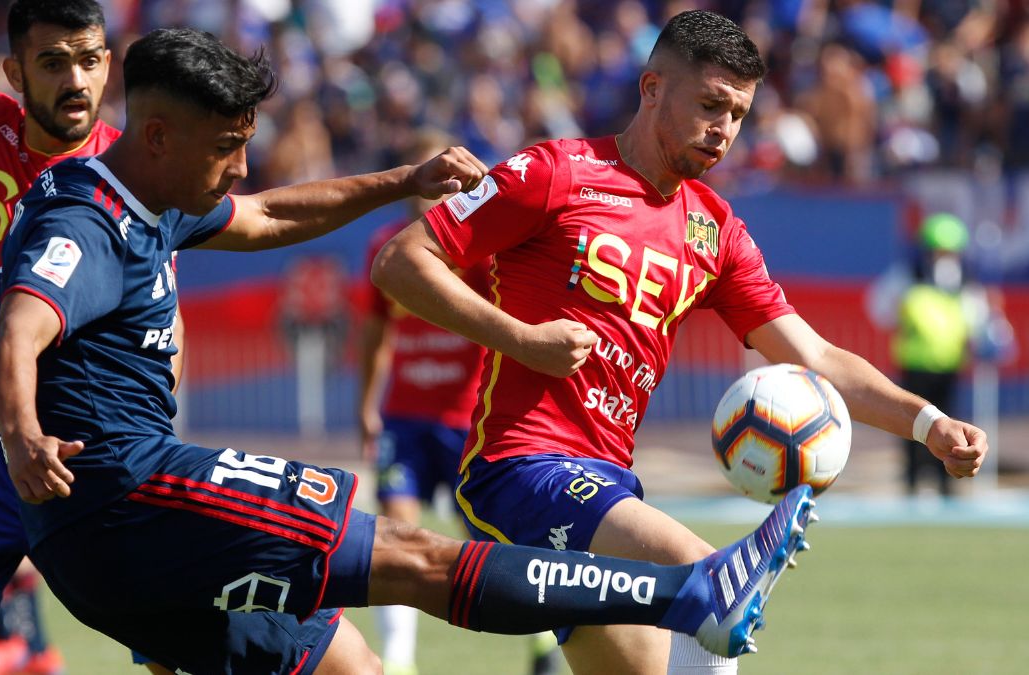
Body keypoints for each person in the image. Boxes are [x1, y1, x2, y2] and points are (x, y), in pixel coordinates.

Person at [0, 27, 817, 675]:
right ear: (160, 136)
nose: (239, 171)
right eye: (225, 149)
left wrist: (400, 180)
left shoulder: (153, 195)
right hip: (126, 492)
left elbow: (272, 216)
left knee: (350, 661)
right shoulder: (87, 219)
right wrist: (21, 434)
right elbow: (20, 323)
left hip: (125, 545)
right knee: (415, 555)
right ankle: (691, 591)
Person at [371, 10, 988, 675]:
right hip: (522, 469)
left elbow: (815, 357)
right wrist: (522, 339)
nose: (724, 128)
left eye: (739, 113)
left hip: (611, 483)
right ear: (652, 88)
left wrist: (928, 423)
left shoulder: (714, 230)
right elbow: (401, 261)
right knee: (709, 578)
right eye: (711, 104)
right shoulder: (554, 171)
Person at [0, 2, 380, 674]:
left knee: (182, 654)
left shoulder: (146, 166)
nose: (75, 78)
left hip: (101, 455)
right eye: (52, 62)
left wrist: (398, 183)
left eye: (89, 58)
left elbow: (267, 215)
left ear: (110, 64)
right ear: (16, 70)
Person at [358, 129, 561, 675]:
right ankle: (399, 662)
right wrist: (366, 403)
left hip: (467, 419)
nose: (430, 193)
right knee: (395, 530)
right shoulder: (387, 249)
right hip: (405, 416)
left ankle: (543, 636)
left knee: (491, 541)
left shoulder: (479, 250)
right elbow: (376, 334)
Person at [868, 213, 1009, 496]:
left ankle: (947, 484)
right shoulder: (906, 278)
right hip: (915, 364)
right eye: (939, 251)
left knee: (949, 426)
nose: (944, 257)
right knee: (912, 426)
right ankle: (912, 485)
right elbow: (880, 307)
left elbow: (980, 321)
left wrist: (992, 338)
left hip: (948, 365)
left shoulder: (965, 285)